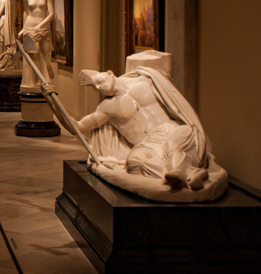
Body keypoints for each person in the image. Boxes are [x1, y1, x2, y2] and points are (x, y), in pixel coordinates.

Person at [76, 65, 213, 192]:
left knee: (172, 146)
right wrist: (55, 105)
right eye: (95, 87)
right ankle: (192, 174)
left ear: (109, 73)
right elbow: (79, 127)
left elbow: (172, 97)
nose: (99, 87)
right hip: (149, 143)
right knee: (134, 162)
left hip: (171, 129)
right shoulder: (106, 108)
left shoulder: (147, 80)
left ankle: (181, 175)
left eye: (99, 81)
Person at [17, 0, 54, 91]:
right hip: (30, 25)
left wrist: (40, 25)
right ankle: (39, 79)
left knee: (46, 51)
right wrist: (23, 28)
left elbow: (52, 14)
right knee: (34, 54)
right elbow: (26, 13)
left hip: (42, 27)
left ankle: (48, 66)